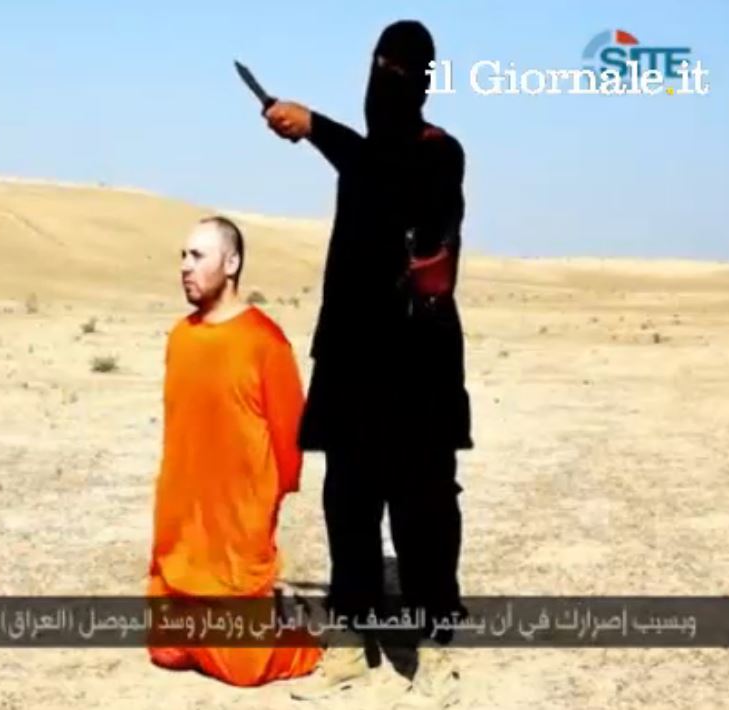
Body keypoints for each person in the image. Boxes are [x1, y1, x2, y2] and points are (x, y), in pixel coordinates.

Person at [262, 20, 472, 703]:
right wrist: (313, 131)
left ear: (422, 83)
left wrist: (315, 126)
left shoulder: (439, 155)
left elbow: (391, 179)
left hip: (417, 362)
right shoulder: (362, 157)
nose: (385, 81)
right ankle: (351, 644)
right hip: (351, 357)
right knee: (348, 503)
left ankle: (433, 645)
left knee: (423, 509)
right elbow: (367, 163)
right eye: (380, 66)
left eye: (399, 70)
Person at [145, 215, 323, 687]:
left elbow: (290, 438)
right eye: (183, 256)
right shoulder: (181, 337)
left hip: (237, 529)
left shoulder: (265, 341)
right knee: (166, 650)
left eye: (197, 256)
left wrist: (261, 503)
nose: (185, 266)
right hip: (182, 528)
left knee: (244, 668)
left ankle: (299, 629)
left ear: (232, 263)